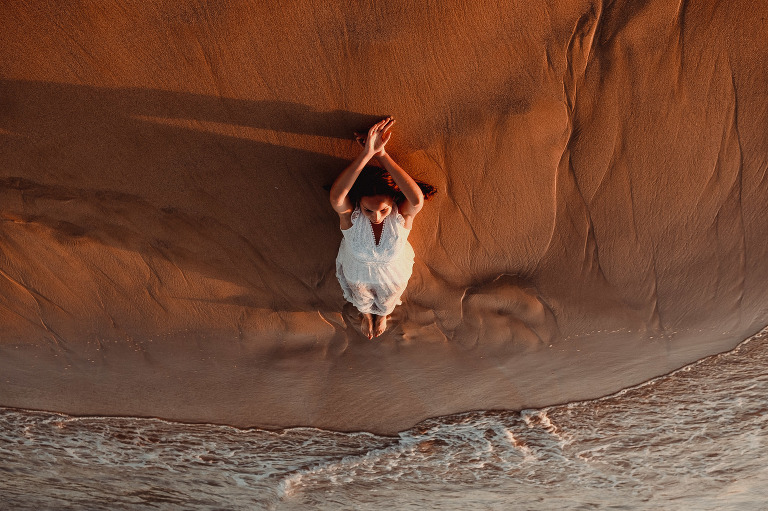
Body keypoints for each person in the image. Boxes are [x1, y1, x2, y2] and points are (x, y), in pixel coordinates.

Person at [329, 117, 436, 339]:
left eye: (384, 210)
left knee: (388, 299)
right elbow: (338, 196)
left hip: (392, 276)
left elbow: (416, 200)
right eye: (369, 210)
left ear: (394, 204)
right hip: (358, 272)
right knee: (361, 297)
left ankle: (384, 314)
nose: (376, 216)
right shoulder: (352, 219)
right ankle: (366, 314)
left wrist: (382, 155)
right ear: (359, 204)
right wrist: (366, 154)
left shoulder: (401, 217)